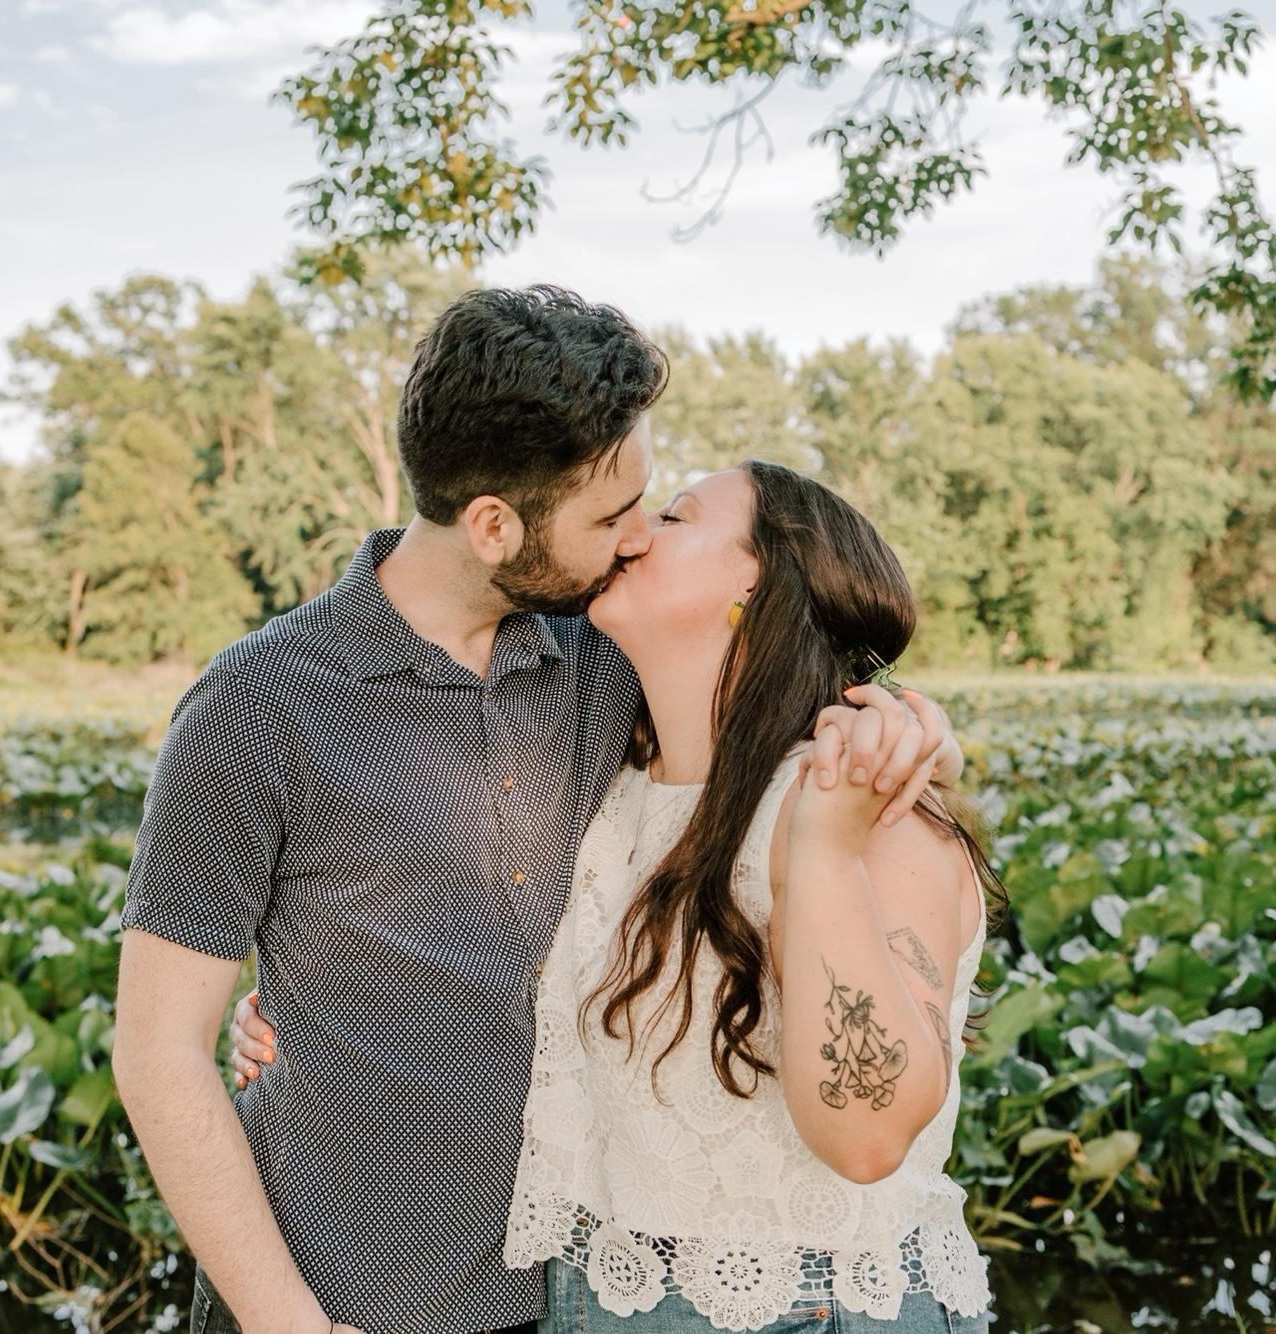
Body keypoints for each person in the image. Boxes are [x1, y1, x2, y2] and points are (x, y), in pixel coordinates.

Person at [113, 283, 965, 1334]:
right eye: (612, 516)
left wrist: (898, 723)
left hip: (575, 1298)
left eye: (652, 506)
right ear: (492, 524)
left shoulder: (603, 661)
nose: (637, 536)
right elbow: (157, 1051)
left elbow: (770, 689)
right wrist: (281, 1317)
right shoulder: (256, 703)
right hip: (345, 1302)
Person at [233, 463, 1005, 1331]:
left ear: (755, 582)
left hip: (811, 1308)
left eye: (674, 517)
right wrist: (306, 1003)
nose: (633, 532)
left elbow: (867, 1138)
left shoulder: (867, 808)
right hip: (599, 1298)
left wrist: (821, 847)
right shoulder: (617, 786)